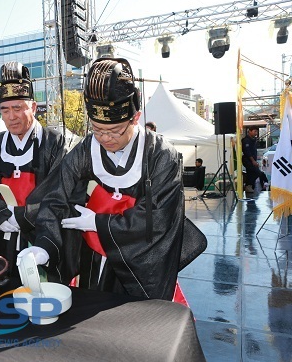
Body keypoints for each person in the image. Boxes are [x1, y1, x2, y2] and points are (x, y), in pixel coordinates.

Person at [19, 57, 188, 301]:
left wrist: (99, 223)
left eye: (114, 131)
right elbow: (56, 196)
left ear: (135, 117)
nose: (106, 138)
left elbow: (159, 218)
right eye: (97, 130)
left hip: (140, 263)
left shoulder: (161, 155)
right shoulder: (87, 149)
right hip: (92, 257)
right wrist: (44, 245)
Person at [0, 61, 67, 277]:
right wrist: (0, 216)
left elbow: (57, 191)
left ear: (33, 107)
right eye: (5, 110)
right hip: (2, 233)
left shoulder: (54, 142)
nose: (11, 116)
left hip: (41, 234)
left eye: (18, 108)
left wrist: (23, 216)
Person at [242, 126, 269, 193]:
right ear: (250, 131)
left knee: (251, 174)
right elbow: (247, 152)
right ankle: (248, 185)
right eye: (254, 131)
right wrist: (253, 161)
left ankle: (249, 186)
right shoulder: (246, 140)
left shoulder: (253, 140)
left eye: (257, 131)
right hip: (248, 160)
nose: (256, 133)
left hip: (252, 160)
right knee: (258, 173)